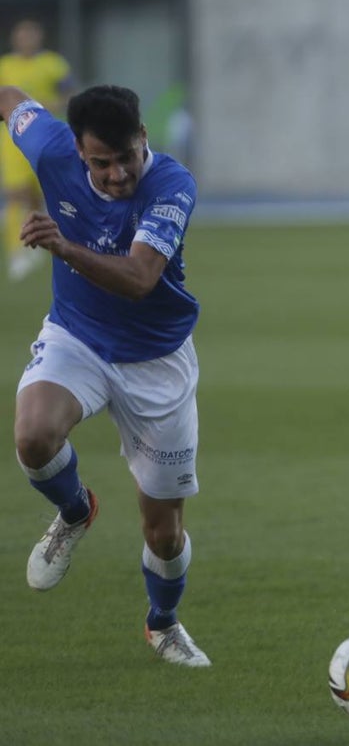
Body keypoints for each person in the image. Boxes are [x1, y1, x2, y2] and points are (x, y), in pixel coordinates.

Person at [0, 83, 210, 666]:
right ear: (76, 150)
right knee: (33, 434)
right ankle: (74, 511)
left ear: (144, 138)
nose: (118, 174)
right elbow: (8, 96)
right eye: (102, 162)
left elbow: (141, 280)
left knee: (163, 533)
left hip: (155, 359)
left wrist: (63, 247)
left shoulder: (171, 184)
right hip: (78, 337)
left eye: (128, 156)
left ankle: (162, 623)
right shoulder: (47, 147)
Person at [0, 19, 74, 281]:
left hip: (45, 136)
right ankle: (16, 254)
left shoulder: (53, 63)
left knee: (38, 196)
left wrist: (51, 103)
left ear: (39, 37)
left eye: (31, 35)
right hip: (11, 139)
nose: (26, 40)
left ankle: (41, 240)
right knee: (15, 194)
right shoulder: (5, 66)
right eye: (21, 35)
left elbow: (69, 93)